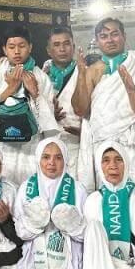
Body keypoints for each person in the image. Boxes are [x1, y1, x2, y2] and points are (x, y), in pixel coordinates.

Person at [13, 138, 89, 269]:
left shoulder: (78, 189)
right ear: (38, 159)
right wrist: (34, 223)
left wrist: (71, 224)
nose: (51, 163)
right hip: (36, 255)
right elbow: (19, 232)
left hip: (69, 256)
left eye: (58, 158)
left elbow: (87, 235)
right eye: (46, 157)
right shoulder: (26, 188)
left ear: (65, 160)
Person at [72, 18, 135, 191]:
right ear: (97, 41)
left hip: (132, 139)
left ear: (124, 36)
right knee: (109, 190)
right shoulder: (92, 70)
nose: (109, 40)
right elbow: (80, 109)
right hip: (104, 142)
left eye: (114, 34)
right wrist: (81, 73)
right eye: (103, 36)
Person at [0, 26, 61, 183]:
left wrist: (34, 93)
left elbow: (48, 118)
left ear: (30, 47)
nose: (17, 51)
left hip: (30, 147)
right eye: (11, 47)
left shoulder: (41, 77)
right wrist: (11, 88)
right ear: (4, 49)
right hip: (3, 146)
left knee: (29, 187)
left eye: (22, 46)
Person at [43, 26, 81, 177]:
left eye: (66, 44)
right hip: (49, 142)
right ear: (48, 50)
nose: (62, 49)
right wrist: (49, 116)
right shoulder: (41, 75)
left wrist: (84, 131)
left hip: (76, 143)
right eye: (56, 45)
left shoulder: (84, 72)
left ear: (73, 47)